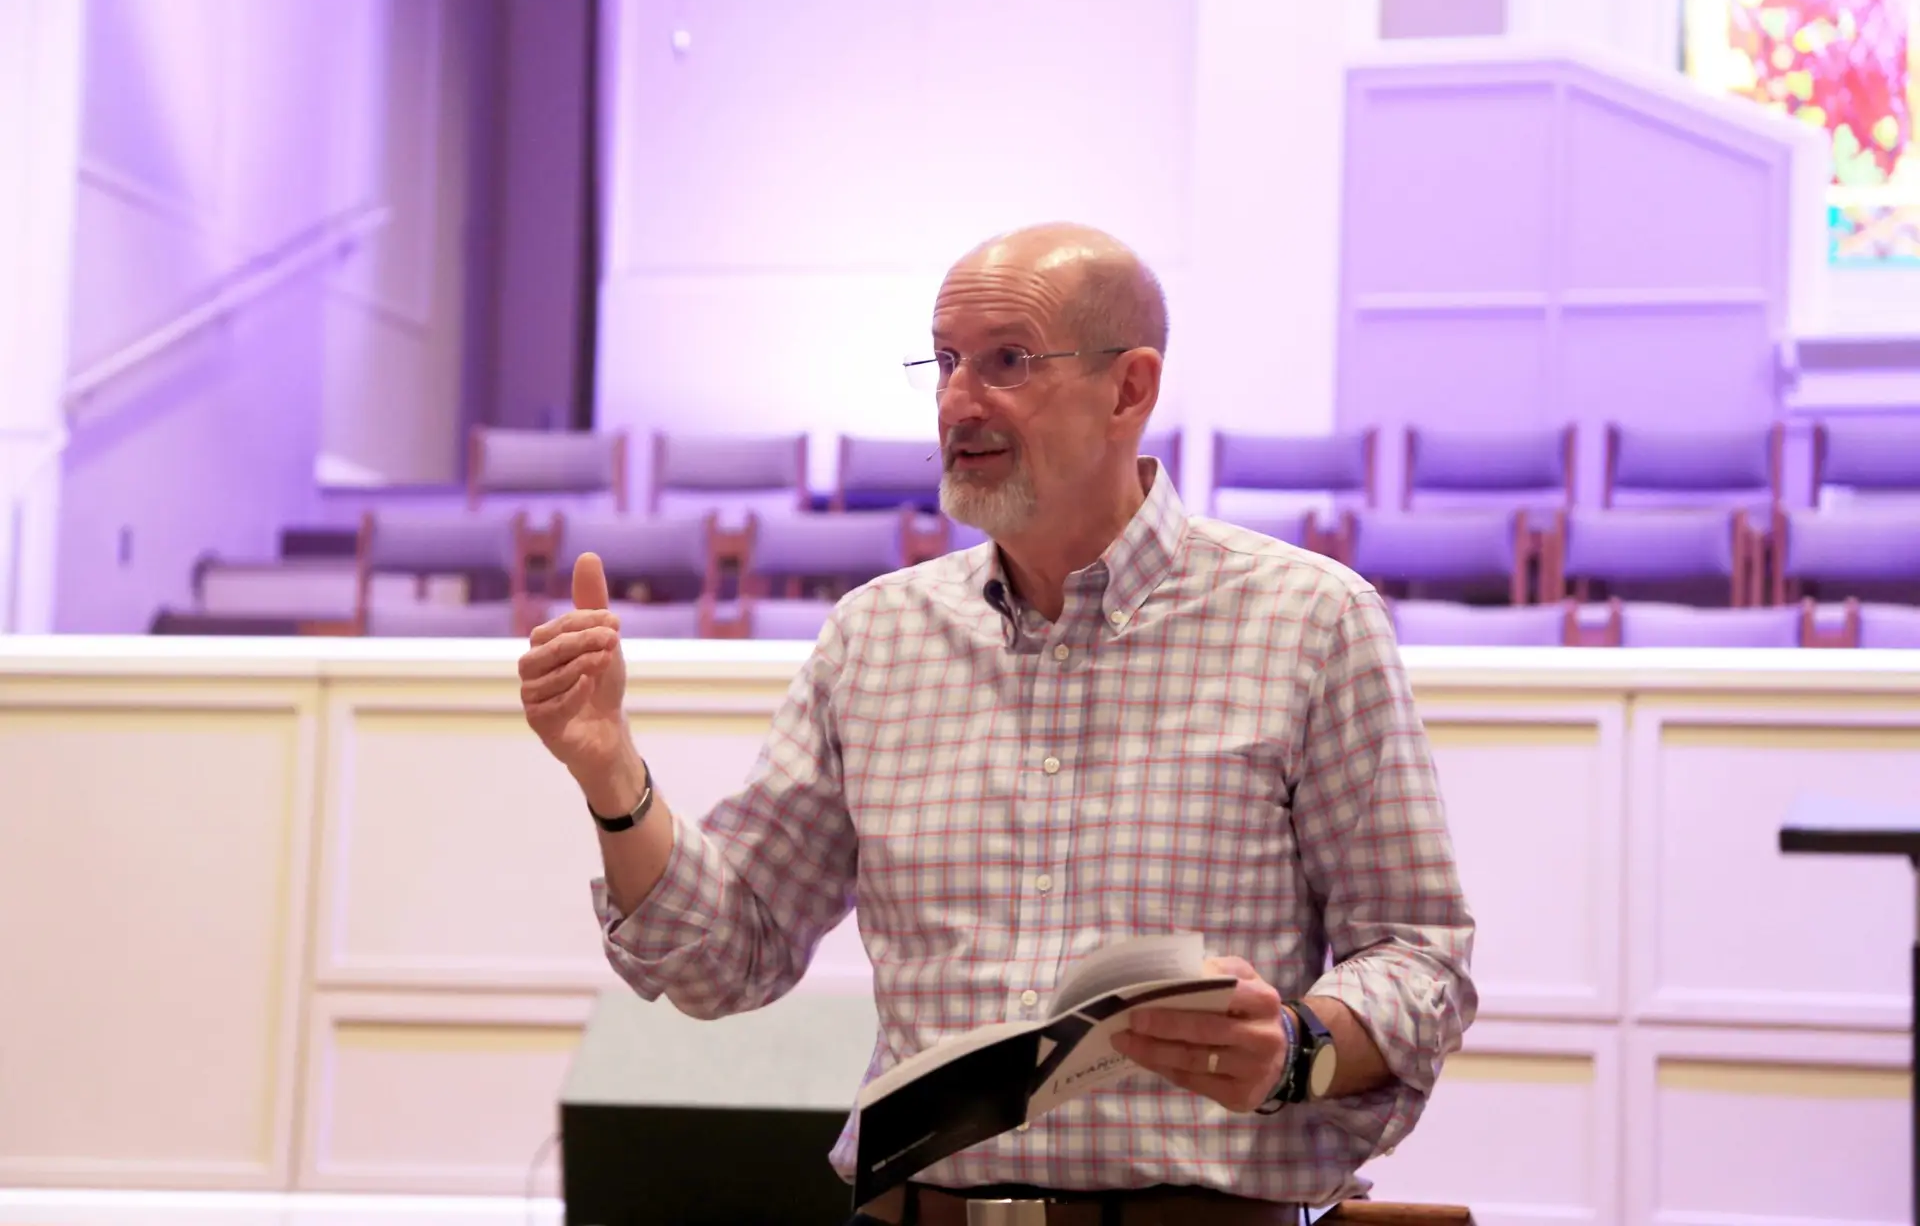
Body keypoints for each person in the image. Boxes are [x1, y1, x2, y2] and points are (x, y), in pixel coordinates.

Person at [519, 223, 1476, 1224]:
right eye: (943, 361)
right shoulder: (877, 636)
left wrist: (1297, 1047)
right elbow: (730, 952)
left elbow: (1420, 957)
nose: (957, 400)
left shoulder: (1309, 621)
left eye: (1007, 361)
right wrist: (611, 772)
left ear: (1130, 389)